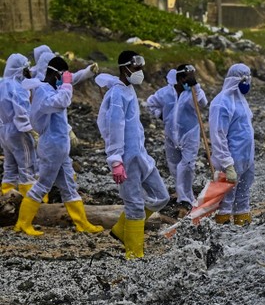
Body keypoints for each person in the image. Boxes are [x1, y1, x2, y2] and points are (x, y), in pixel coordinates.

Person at [14, 56, 103, 236]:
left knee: (69, 186)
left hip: (60, 148)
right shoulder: (42, 91)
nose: (65, 80)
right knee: (43, 184)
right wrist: (67, 85)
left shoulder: (52, 88)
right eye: (63, 76)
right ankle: (22, 223)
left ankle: (82, 223)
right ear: (56, 74)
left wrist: (85, 72)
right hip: (51, 146)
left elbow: (65, 92)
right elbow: (61, 101)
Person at [96, 51, 170, 258]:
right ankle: (134, 254)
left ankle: (121, 229)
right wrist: (115, 159)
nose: (139, 72)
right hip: (125, 158)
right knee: (135, 205)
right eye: (136, 68)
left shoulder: (128, 90)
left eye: (140, 67)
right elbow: (113, 127)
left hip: (140, 155)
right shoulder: (116, 94)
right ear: (124, 68)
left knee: (161, 196)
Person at [146, 64, 207, 213]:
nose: (191, 80)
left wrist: (196, 87)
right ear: (179, 79)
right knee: (174, 165)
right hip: (171, 134)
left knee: (187, 165)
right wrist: (160, 115)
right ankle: (183, 193)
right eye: (188, 77)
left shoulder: (192, 92)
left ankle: (185, 199)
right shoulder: (165, 93)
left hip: (189, 133)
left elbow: (203, 103)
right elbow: (150, 103)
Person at [209, 63, 255, 225]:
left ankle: (242, 228)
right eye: (245, 78)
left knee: (243, 196)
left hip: (246, 158)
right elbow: (218, 135)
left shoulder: (241, 100)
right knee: (226, 200)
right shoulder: (221, 103)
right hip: (231, 160)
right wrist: (227, 164)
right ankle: (222, 230)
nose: (248, 82)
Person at [0, 54, 39, 195]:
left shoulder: (2, 84)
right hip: (18, 130)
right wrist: (31, 130)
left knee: (9, 166)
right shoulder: (17, 87)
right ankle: (30, 200)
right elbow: (22, 112)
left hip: (3, 131)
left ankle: (6, 198)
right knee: (27, 166)